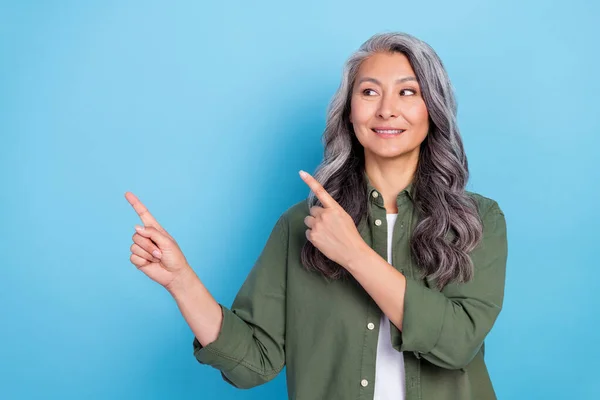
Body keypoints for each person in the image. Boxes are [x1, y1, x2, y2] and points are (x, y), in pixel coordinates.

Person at [125, 31, 508, 400]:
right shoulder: (302, 226)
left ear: (433, 109)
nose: (386, 109)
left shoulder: (476, 220)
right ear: (349, 111)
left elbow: (457, 343)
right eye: (369, 92)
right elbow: (253, 364)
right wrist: (181, 282)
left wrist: (354, 255)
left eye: (407, 92)